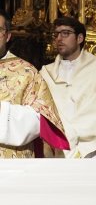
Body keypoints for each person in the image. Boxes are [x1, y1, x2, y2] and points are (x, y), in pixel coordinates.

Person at [40, 17, 96, 158]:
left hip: (87, 151)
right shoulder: (45, 73)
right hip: (54, 150)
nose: (59, 38)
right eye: (56, 34)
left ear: (79, 38)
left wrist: (74, 138)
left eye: (65, 33)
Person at [0, 10, 69, 158]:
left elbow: (41, 119)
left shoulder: (26, 72)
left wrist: (2, 112)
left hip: (11, 162)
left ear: (8, 36)